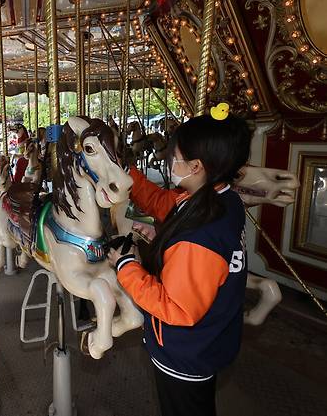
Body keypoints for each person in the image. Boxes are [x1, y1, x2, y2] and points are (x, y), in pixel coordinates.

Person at [108, 105, 252, 416]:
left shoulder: (200, 233)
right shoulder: (221, 198)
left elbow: (176, 308)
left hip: (184, 353)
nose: (169, 161)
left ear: (197, 165)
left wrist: (126, 266)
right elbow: (165, 205)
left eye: (175, 156)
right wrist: (161, 231)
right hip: (209, 341)